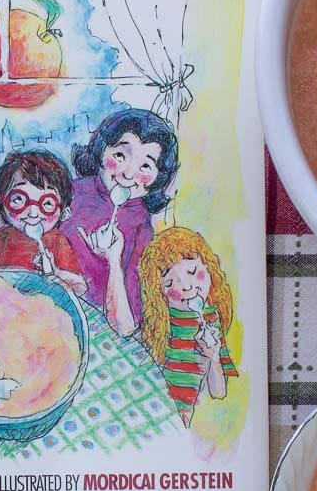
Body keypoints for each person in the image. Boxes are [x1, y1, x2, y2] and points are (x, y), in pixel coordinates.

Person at [65, 108, 180, 335]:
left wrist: (113, 260)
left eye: (145, 166)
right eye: (120, 156)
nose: (128, 175)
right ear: (101, 149)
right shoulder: (69, 194)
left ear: (158, 178)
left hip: (99, 330)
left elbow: (126, 327)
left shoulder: (141, 228)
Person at [138, 227, 238, 428]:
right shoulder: (161, 321)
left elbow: (219, 393)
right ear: (159, 292)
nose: (186, 286)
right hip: (157, 406)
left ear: (210, 267)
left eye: (192, 272)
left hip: (189, 416)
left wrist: (213, 356)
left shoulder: (211, 319)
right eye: (169, 283)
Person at [0, 150, 87, 296]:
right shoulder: (2, 237)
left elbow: (80, 287)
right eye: (19, 199)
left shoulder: (57, 241)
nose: (33, 213)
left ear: (64, 212)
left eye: (47, 203)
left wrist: (55, 273)